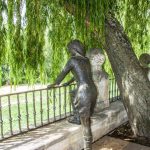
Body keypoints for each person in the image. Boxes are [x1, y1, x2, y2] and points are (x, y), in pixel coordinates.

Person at [47, 39, 97, 150]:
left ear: (74, 49)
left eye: (69, 49)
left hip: (84, 91)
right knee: (73, 93)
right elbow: (79, 74)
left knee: (86, 123)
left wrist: (55, 83)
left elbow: (63, 73)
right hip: (93, 90)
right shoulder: (86, 60)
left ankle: (88, 147)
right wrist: (68, 83)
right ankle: (77, 117)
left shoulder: (72, 60)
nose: (69, 51)